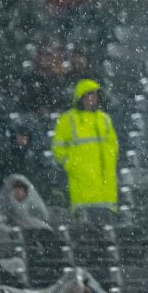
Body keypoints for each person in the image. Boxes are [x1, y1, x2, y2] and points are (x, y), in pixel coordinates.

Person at [51, 78, 119, 220]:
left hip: (106, 185)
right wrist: (71, 164)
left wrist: (110, 160)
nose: (92, 98)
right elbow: (57, 147)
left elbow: (113, 145)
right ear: (80, 97)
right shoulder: (67, 119)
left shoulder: (105, 119)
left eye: (94, 94)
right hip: (82, 183)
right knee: (85, 229)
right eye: (88, 94)